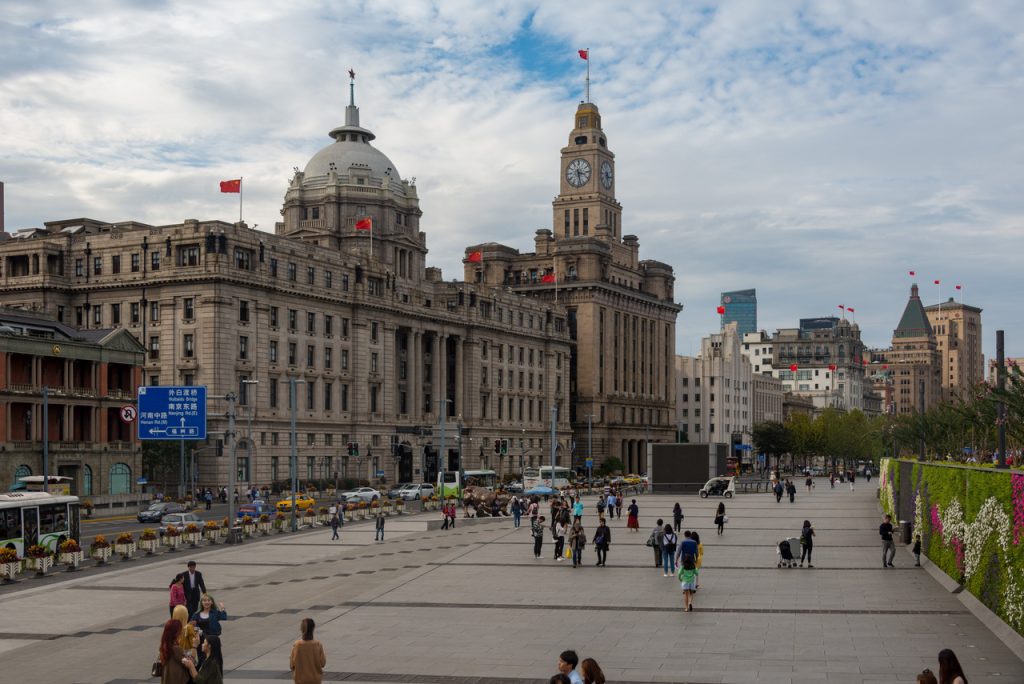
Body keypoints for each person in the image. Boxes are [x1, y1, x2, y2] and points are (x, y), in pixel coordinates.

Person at [290, 617, 326, 684]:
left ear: (301, 629)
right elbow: (323, 663)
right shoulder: (318, 644)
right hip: (315, 680)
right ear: (313, 629)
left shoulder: (297, 645)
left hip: (300, 680)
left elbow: (292, 665)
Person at [157, 618, 191, 684]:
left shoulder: (164, 646)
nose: (181, 631)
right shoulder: (176, 649)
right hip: (178, 680)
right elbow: (189, 663)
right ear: (175, 633)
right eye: (180, 630)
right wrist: (194, 646)